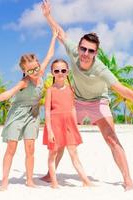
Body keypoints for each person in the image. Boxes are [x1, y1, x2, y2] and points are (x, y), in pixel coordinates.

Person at [40, 0, 133, 191]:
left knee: (111, 138)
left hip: (98, 103)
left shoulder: (101, 69)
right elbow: (60, 32)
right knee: (61, 136)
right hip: (76, 101)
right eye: (83, 48)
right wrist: (48, 16)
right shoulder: (73, 53)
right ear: (78, 47)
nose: (85, 53)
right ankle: (49, 173)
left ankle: (127, 180)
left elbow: (123, 90)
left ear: (96, 52)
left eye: (90, 51)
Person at [0, 29, 58, 191]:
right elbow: (7, 94)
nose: (34, 73)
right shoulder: (24, 82)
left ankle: (29, 180)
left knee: (30, 148)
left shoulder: (40, 73)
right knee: (11, 147)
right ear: (24, 71)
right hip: (17, 115)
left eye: (36, 68)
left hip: (33, 115)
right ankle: (4, 180)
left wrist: (54, 36)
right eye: (30, 71)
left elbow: (50, 54)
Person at [43, 59, 93, 188]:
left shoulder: (71, 89)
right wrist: (49, 131)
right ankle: (53, 182)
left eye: (63, 70)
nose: (60, 73)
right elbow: (47, 112)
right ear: (52, 73)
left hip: (69, 125)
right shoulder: (50, 90)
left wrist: (75, 125)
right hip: (54, 125)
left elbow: (72, 108)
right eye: (57, 71)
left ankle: (86, 181)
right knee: (53, 153)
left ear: (67, 72)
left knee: (73, 152)